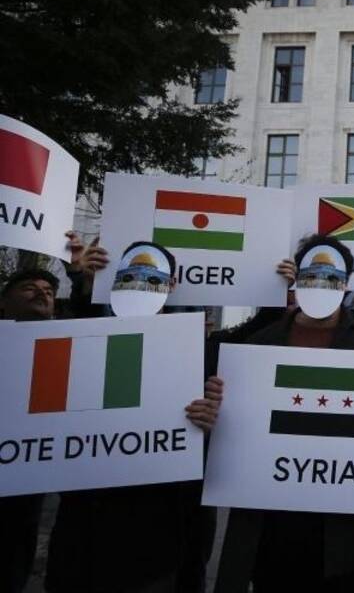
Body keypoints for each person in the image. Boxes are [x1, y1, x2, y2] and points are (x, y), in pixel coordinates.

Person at [214, 234, 354, 592]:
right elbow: (234, 424)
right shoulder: (261, 344)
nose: (322, 285)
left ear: (347, 284)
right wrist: (215, 410)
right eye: (313, 275)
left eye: (332, 277)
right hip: (277, 531)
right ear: (297, 279)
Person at [41, 236, 224, 593]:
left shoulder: (198, 351)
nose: (141, 283)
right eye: (131, 274)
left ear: (172, 285)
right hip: (87, 521)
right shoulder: (83, 334)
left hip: (158, 528)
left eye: (153, 277)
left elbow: (216, 429)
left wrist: (210, 419)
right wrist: (82, 279)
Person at [0, 232, 108, 593]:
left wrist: (81, 275)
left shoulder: (66, 338)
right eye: (29, 287)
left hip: (26, 478)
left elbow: (92, 319)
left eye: (48, 288)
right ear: (4, 302)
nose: (42, 291)